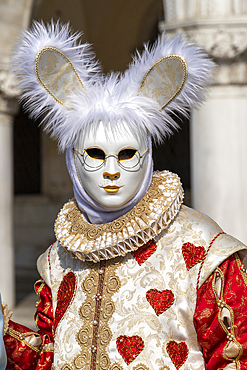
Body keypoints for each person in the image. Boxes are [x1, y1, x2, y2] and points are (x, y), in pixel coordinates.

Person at [3, 21, 247, 370]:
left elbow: (235, 354)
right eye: (96, 155)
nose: (112, 170)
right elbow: (48, 356)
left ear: (147, 156)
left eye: (128, 154)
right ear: (74, 160)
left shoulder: (202, 249)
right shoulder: (58, 260)